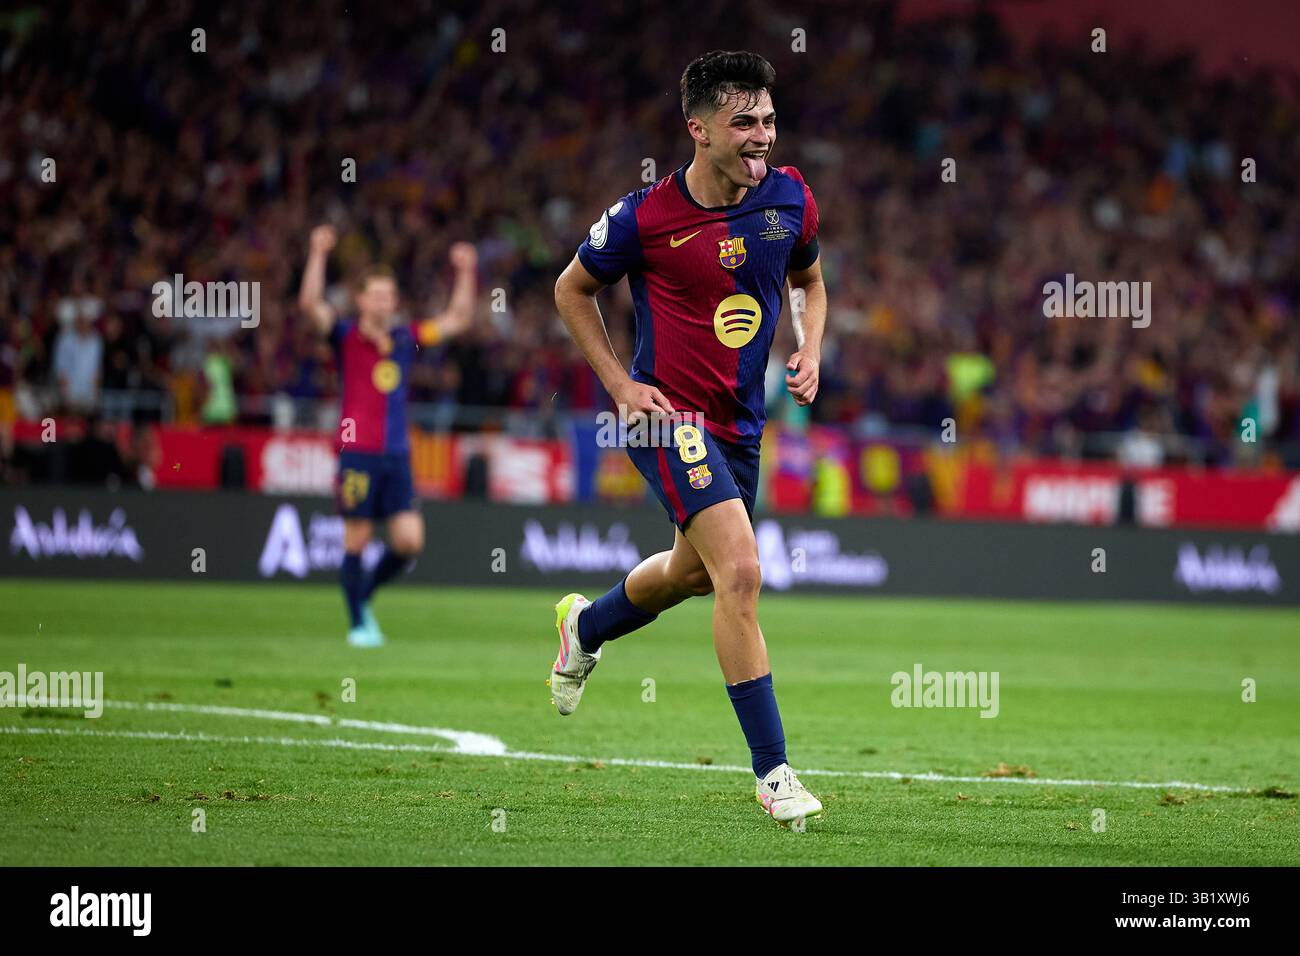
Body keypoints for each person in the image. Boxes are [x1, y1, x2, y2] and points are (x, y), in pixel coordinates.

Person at [550, 50, 827, 825]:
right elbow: (571, 289)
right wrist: (618, 384)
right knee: (740, 572)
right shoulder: (645, 216)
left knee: (694, 575)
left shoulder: (790, 198)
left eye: (769, 120)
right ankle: (774, 773)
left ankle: (586, 626)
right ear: (698, 129)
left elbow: (810, 279)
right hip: (669, 418)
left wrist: (808, 344)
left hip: (740, 426)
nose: (762, 136)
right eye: (745, 123)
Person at [298, 224, 478, 646]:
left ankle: (362, 597)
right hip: (356, 452)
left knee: (409, 542)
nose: (383, 301)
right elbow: (310, 304)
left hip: (397, 454)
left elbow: (458, 319)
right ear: (360, 299)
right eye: (375, 295)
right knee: (357, 539)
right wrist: (318, 252)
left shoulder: (404, 338)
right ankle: (359, 622)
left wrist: (467, 270)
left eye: (388, 295)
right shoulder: (344, 336)